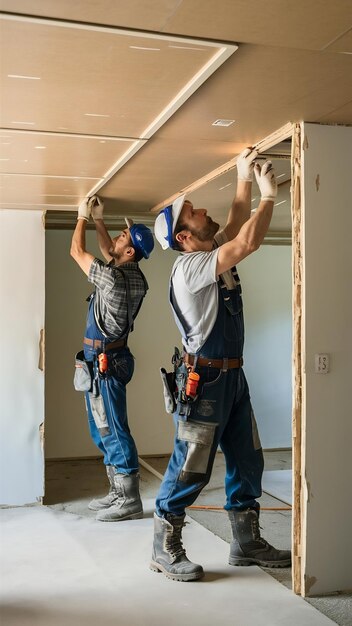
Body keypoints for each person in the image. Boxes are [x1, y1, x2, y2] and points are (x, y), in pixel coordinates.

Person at [151, 147, 291, 580]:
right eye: (193, 213)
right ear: (183, 238)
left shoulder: (208, 252)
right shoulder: (190, 268)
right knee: (191, 466)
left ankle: (246, 543)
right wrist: (269, 197)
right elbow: (247, 239)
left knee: (248, 459)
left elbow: (233, 224)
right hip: (205, 381)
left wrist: (244, 177)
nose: (203, 210)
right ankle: (163, 548)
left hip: (233, 376)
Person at [70, 195, 154, 522]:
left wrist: (81, 217)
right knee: (101, 428)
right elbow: (110, 254)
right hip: (104, 360)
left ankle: (129, 499)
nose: (117, 239)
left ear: (130, 252)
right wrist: (100, 221)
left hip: (106, 363)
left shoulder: (114, 280)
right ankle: (117, 491)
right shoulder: (132, 274)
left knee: (114, 430)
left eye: (123, 237)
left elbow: (77, 252)